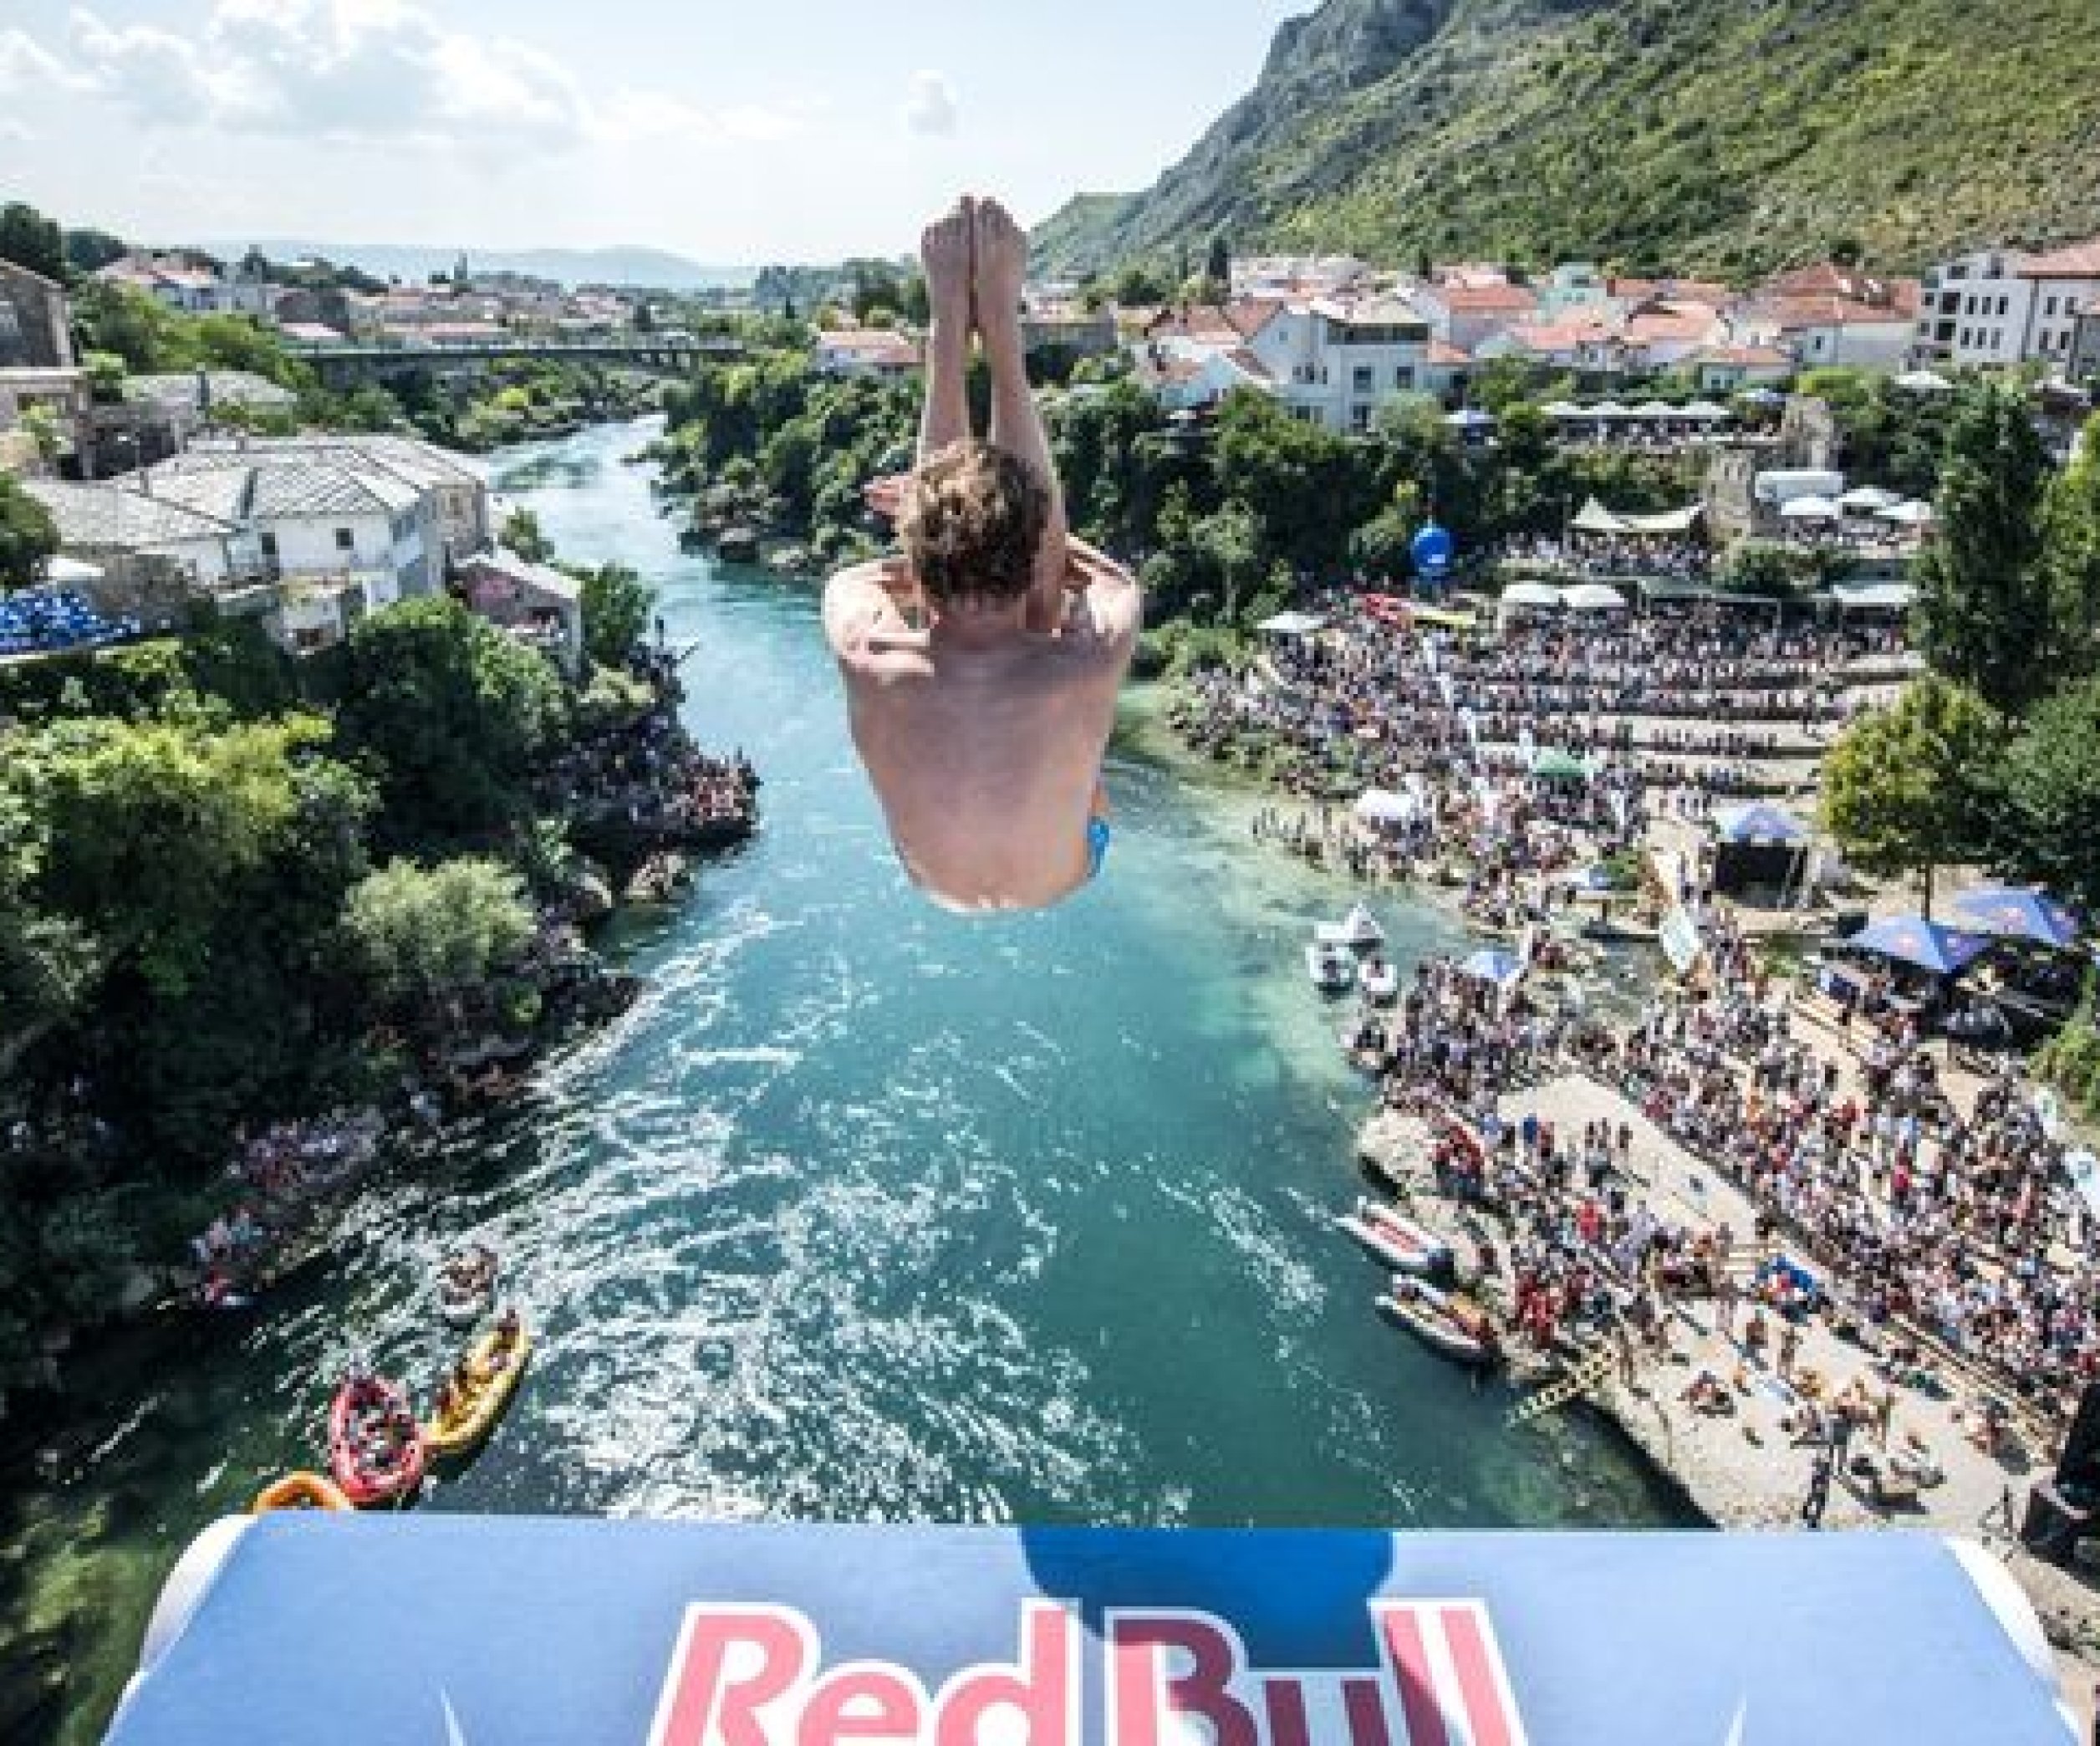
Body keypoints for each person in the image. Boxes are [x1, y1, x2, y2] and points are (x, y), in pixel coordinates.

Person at [824, 196, 1141, 911]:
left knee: (1037, 600)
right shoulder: (1092, 656)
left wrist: (935, 512)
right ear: (1034, 544)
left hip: (931, 877)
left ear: (917, 566)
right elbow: (1099, 576)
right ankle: (999, 330)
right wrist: (939, 511)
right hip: (1068, 866)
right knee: (1047, 614)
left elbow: (853, 578)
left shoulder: (863, 644)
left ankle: (950, 334)